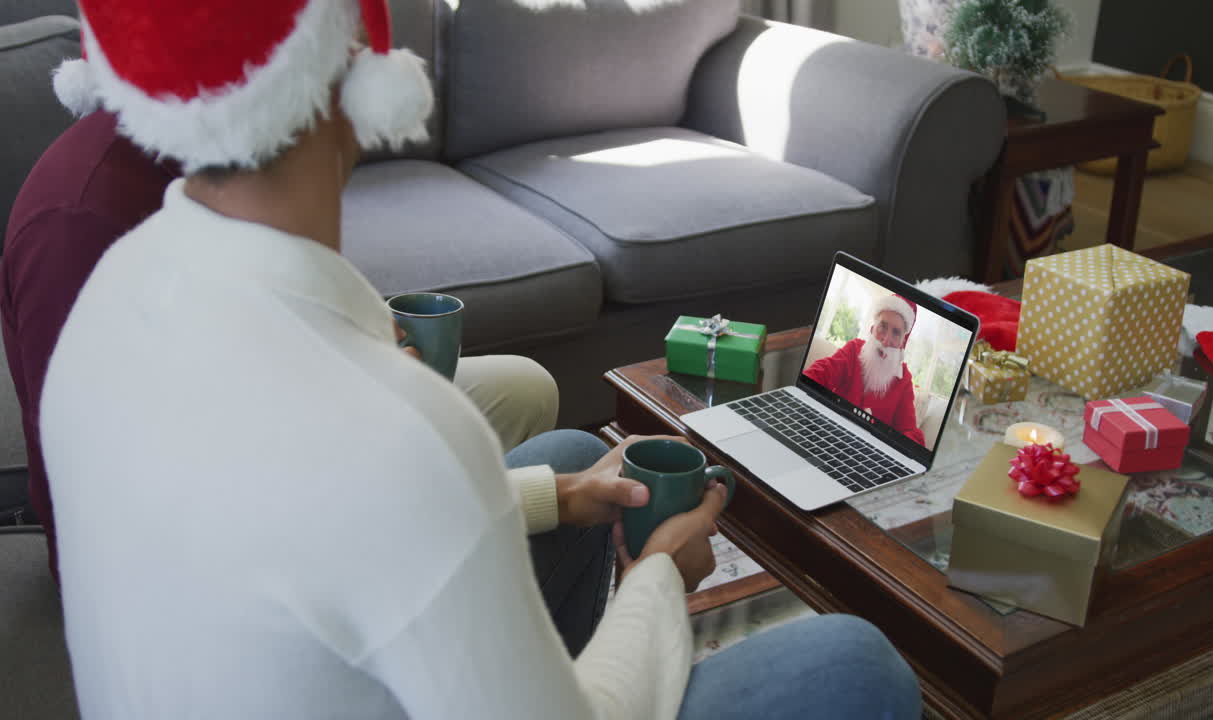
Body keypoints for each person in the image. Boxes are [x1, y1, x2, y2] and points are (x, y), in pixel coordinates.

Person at [39, 1, 922, 718]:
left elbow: (285, 518)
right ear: (352, 62)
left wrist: (553, 496)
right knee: (855, 662)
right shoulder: (398, 438)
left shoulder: (109, 297)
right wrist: (657, 581)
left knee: (575, 464)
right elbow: (366, 498)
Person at [1, 109, 557, 584]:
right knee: (568, 469)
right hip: (169, 558)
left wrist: (343, 339)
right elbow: (129, 493)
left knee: (524, 389)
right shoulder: (81, 222)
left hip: (262, 440)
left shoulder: (218, 151)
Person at [804, 293, 926, 445]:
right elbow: (818, 374)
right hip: (831, 436)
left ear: (902, 342)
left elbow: (910, 433)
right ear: (872, 328)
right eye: (883, 326)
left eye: (896, 333)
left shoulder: (904, 380)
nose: (886, 340)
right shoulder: (854, 349)